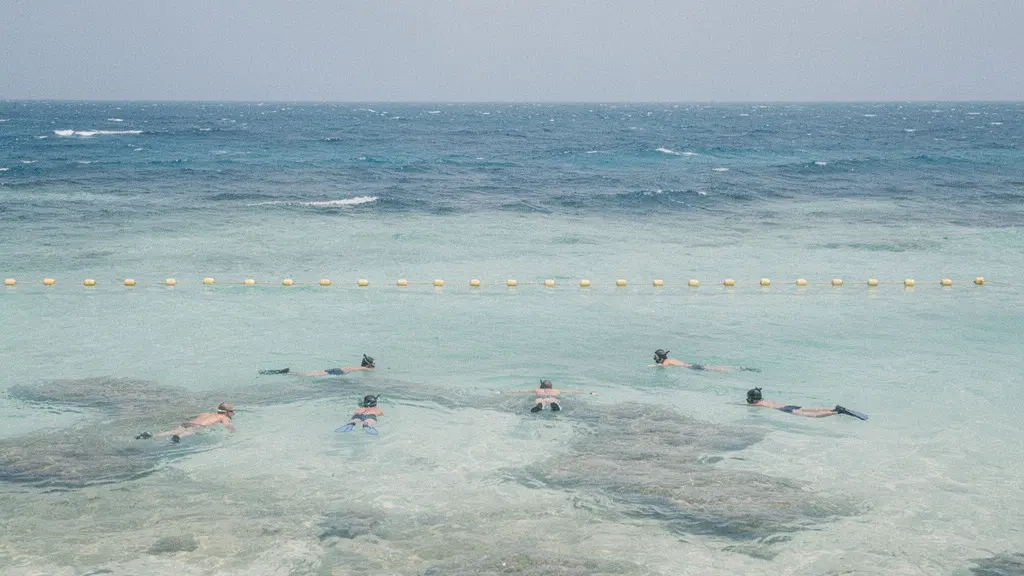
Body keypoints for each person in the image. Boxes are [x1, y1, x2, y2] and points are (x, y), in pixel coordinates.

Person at [136, 402, 237, 443]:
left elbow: (193, 418)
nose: (233, 413)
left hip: (188, 423)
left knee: (172, 431)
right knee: (190, 432)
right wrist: (234, 431)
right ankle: (178, 437)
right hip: (198, 426)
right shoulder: (224, 417)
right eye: (232, 411)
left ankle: (152, 435)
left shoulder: (206, 413)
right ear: (227, 412)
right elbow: (227, 425)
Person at [744, 388, 867, 420]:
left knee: (811, 416)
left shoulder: (759, 404)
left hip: (785, 410)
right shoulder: (767, 401)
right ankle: (834, 408)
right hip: (787, 405)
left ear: (753, 399)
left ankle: (837, 411)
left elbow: (747, 405)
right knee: (813, 409)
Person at [501, 379, 599, 413]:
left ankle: (540, 406)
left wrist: (503, 392)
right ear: (551, 386)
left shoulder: (538, 390)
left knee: (539, 401)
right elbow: (572, 392)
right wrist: (591, 393)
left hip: (540, 398)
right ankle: (555, 406)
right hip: (552, 398)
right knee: (554, 401)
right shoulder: (555, 390)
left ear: (542, 386)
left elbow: (520, 391)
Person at [260, 354, 375, 376]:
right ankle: (284, 372)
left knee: (307, 374)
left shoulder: (361, 367)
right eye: (373, 364)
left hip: (337, 371)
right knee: (306, 375)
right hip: (337, 371)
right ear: (368, 365)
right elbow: (370, 370)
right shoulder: (364, 368)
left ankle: (286, 372)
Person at [652, 349, 759, 372]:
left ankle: (737, 369)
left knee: (715, 370)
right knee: (712, 368)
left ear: (660, 357)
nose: (655, 359)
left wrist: (653, 367)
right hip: (691, 365)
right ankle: (740, 368)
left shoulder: (665, 362)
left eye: (656, 357)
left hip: (691, 367)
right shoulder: (670, 359)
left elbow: (663, 366)